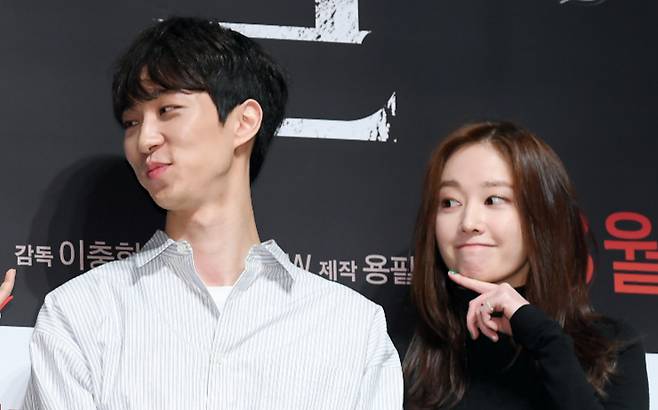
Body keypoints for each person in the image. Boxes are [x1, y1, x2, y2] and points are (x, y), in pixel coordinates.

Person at [23, 17, 402, 409]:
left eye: (168, 110)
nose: (144, 139)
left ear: (244, 122)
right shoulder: (80, 313)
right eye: (132, 122)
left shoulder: (352, 328)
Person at [403, 121, 649, 409]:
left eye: (493, 199)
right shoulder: (396, 339)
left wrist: (545, 340)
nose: (468, 222)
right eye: (449, 202)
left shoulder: (610, 348)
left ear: (543, 213)